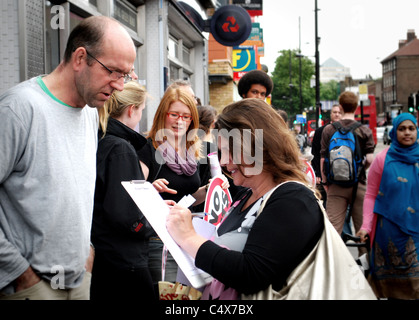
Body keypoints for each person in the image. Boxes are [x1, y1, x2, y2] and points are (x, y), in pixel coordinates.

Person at [0, 16, 137, 300]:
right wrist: (19, 272)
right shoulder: (18, 110)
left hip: (77, 281)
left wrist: (87, 253)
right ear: (79, 58)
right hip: (31, 287)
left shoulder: (90, 111)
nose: (120, 86)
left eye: (126, 75)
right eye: (113, 71)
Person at [166, 98, 324, 300]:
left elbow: (251, 275)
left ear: (259, 148)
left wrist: (189, 237)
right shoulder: (248, 195)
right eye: (222, 152)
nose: (223, 161)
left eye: (231, 151)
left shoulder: (293, 200)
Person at [138, 87, 208, 292]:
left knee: (186, 297)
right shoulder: (148, 148)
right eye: (174, 115)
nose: (180, 121)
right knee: (168, 296)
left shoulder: (191, 151)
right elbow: (135, 192)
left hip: (186, 238)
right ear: (163, 115)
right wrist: (151, 189)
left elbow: (186, 198)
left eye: (186, 117)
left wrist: (208, 190)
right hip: (158, 242)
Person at [91, 81, 156, 301]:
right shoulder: (120, 148)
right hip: (124, 258)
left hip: (105, 254)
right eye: (141, 111)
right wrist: (152, 224)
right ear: (131, 109)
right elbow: (124, 215)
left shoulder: (100, 139)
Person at [357, 113, 419, 299]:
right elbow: (370, 195)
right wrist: (366, 226)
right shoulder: (382, 159)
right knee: (395, 291)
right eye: (402, 129)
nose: (407, 133)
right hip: (388, 234)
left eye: (411, 128)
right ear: (394, 132)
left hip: (416, 233)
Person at [320, 91, 375, 237]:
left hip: (336, 186)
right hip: (358, 185)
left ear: (341, 106)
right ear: (356, 107)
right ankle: (363, 257)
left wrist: (325, 183)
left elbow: (323, 159)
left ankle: (334, 259)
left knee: (332, 232)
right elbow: (370, 159)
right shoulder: (364, 130)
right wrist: (361, 170)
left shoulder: (329, 130)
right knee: (362, 231)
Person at [311, 104, 343, 206]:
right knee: (327, 202)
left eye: (339, 112)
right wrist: (318, 173)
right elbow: (315, 153)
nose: (337, 114)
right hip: (326, 172)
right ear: (330, 114)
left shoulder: (347, 131)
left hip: (343, 172)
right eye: (334, 112)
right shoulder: (320, 131)